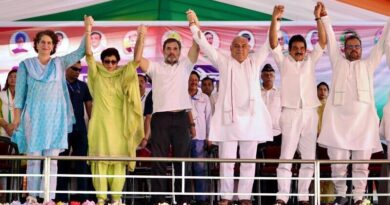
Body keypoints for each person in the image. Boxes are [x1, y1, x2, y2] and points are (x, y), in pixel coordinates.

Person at [188, 10, 273, 205]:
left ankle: (244, 197)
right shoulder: (224, 62)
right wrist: (194, 24)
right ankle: (225, 196)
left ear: (249, 48)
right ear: (231, 48)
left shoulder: (255, 62)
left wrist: (275, 20)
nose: (240, 49)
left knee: (248, 162)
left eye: (244, 46)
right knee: (226, 161)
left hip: (251, 121)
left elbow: (270, 44)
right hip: (229, 121)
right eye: (236, 46)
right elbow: (204, 44)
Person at [11, 16, 92, 202]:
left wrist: (87, 28)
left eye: (49, 42)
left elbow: (81, 51)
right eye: (43, 42)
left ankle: (48, 198)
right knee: (34, 159)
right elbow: (20, 96)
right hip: (33, 118)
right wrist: (16, 120)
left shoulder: (59, 63)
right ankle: (32, 197)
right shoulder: (26, 65)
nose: (46, 45)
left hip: (55, 119)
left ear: (53, 46)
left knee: (52, 161)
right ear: (37, 45)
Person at [317, 2, 390, 205]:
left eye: (357, 47)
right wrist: (324, 17)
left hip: (363, 123)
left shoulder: (368, 64)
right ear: (345, 49)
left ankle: (358, 197)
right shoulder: (337, 62)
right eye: (350, 47)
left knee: (361, 165)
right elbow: (330, 39)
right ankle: (341, 195)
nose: (353, 50)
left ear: (361, 48)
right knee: (337, 163)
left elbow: (382, 43)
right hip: (338, 122)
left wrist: (389, 22)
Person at [137, 17, 199, 205]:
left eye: (175, 49)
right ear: (163, 51)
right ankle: (158, 201)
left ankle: (183, 201)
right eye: (168, 48)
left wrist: (194, 25)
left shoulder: (185, 66)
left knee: (182, 162)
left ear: (180, 52)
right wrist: (141, 36)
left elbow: (197, 48)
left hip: (181, 119)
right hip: (161, 119)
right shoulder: (155, 68)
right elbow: (138, 59)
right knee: (159, 161)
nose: (172, 52)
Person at [270, 3, 327, 205]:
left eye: (302, 48)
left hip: (310, 113)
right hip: (290, 112)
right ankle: (282, 196)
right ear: (290, 50)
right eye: (295, 49)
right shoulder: (283, 61)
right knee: (286, 156)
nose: (299, 51)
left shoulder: (311, 61)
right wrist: (275, 19)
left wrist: (318, 18)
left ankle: (303, 196)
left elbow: (322, 42)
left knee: (309, 157)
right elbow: (273, 43)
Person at [85, 23, 145, 205]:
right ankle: (101, 199)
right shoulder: (96, 73)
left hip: (120, 125)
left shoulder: (122, 74)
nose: (110, 65)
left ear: (117, 62)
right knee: (100, 163)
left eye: (113, 61)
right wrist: (88, 30)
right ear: (102, 61)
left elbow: (136, 60)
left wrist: (141, 36)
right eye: (107, 61)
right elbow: (88, 54)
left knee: (118, 163)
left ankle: (116, 199)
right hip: (100, 125)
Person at [56, 61, 93, 203]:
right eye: (74, 69)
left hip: (80, 130)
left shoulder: (83, 86)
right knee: (61, 164)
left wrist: (92, 124)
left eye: (80, 69)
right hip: (61, 129)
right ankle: (61, 198)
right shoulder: (58, 84)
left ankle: (83, 199)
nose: (78, 72)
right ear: (66, 68)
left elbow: (89, 106)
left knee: (81, 164)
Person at [188, 71, 212, 205]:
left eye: (196, 80)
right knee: (184, 168)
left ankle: (201, 199)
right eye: (191, 80)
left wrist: (209, 137)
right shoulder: (181, 95)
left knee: (199, 168)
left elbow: (209, 118)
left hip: (200, 137)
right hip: (183, 138)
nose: (193, 82)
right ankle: (184, 198)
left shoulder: (204, 97)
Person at [260, 64, 282, 142]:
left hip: (277, 131)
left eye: (271, 75)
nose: (269, 77)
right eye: (266, 75)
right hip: (260, 130)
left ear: (274, 77)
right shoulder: (256, 92)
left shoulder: (280, 92)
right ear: (261, 77)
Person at [0, 69, 17, 137]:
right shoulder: (1, 95)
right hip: (3, 130)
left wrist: (13, 126)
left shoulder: (23, 96)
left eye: (15, 77)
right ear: (7, 79)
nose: (12, 78)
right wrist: (6, 126)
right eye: (10, 76)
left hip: (18, 130)